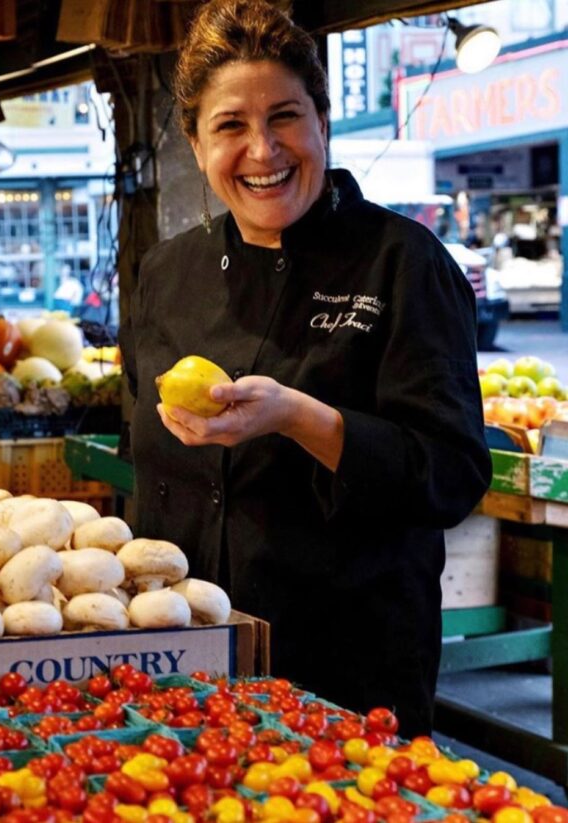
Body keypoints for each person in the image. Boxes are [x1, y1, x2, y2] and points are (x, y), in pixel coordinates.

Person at [119, 0, 491, 737]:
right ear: (195, 144)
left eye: (284, 116)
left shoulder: (402, 265)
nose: (263, 150)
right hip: (188, 673)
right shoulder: (166, 275)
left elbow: (450, 473)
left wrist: (298, 417)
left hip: (348, 673)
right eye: (230, 125)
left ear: (322, 120)